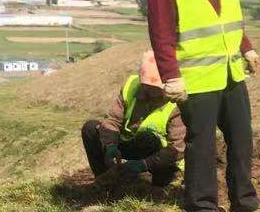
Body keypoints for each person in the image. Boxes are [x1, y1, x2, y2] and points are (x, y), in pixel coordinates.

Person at [145, 0, 260, 212]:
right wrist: (171, 76)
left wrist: (246, 46)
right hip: (196, 77)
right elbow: (161, 31)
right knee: (202, 143)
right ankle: (202, 205)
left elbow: (229, 12)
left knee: (242, 136)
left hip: (230, 70)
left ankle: (244, 200)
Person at [80, 50, 186, 188]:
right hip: (128, 142)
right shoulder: (131, 86)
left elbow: (177, 148)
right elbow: (112, 120)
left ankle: (158, 188)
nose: (150, 91)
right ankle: (105, 181)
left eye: (155, 88)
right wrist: (110, 145)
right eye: (147, 87)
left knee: (150, 139)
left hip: (160, 155)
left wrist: (144, 164)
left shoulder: (177, 101)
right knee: (90, 128)